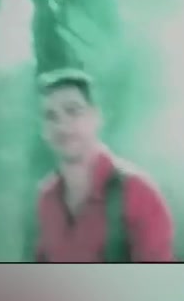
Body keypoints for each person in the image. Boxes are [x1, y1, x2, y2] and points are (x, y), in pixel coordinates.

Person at [32, 68, 174, 262]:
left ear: (96, 117)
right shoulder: (46, 198)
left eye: (73, 111)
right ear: (43, 129)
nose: (62, 125)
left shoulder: (138, 193)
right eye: (50, 116)